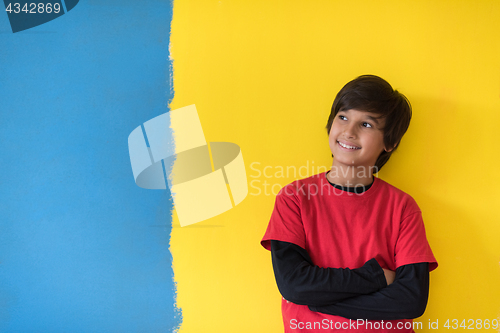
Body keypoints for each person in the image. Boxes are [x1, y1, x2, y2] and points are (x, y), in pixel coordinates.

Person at [261, 75, 438, 332]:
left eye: (366, 124)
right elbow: (294, 285)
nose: (348, 131)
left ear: (390, 142)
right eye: (343, 117)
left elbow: (410, 301)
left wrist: (314, 301)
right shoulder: (294, 198)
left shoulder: (403, 208)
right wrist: (376, 277)